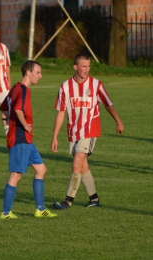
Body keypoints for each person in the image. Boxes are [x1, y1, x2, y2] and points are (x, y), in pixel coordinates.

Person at [51, 53, 124, 210]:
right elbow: (61, 112)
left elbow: (108, 104)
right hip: (73, 131)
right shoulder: (65, 87)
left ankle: (67, 201)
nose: (87, 69)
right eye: (84, 66)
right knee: (83, 165)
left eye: (89, 66)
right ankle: (94, 199)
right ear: (75, 67)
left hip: (90, 129)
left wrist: (118, 121)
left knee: (76, 162)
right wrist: (55, 137)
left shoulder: (96, 85)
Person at [0, 60, 57, 219]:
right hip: (21, 139)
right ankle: (5, 213)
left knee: (41, 170)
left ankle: (40, 209)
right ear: (28, 73)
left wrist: (7, 128)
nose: (41, 76)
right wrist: (24, 125)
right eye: (38, 72)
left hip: (26, 140)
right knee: (16, 175)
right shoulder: (23, 90)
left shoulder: (14, 88)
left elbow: (4, 108)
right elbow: (17, 109)